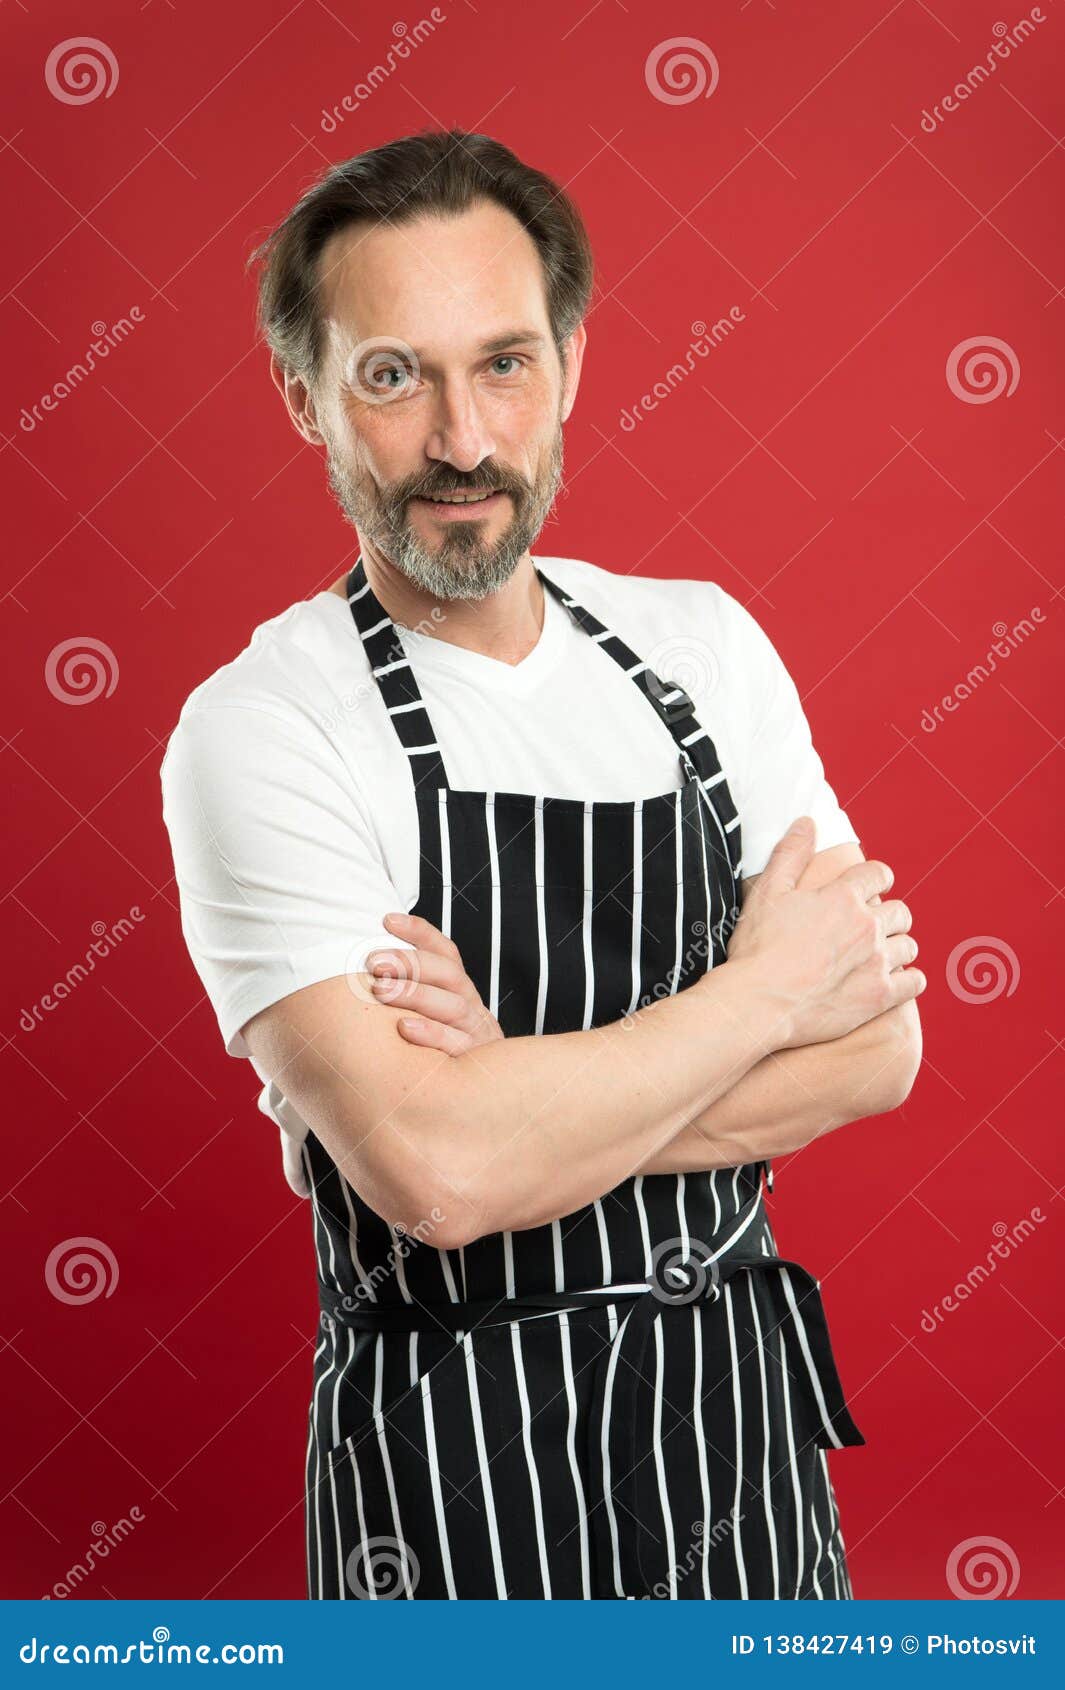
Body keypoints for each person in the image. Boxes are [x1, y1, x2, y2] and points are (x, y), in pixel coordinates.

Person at [160, 128, 924, 1601]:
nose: (462, 437)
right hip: (449, 1483)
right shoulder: (262, 727)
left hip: (740, 1441)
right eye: (393, 375)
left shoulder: (701, 646)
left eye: (503, 362)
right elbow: (440, 1179)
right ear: (303, 396)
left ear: (568, 362)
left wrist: (510, 1089)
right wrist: (763, 990)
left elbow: (879, 1046)